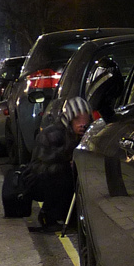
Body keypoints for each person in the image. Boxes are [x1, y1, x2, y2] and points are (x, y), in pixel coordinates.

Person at [25, 96, 92, 232]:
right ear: (69, 119)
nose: (82, 124)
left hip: (61, 175)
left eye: (85, 119)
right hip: (40, 178)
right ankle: (48, 216)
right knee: (62, 173)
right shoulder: (52, 133)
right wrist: (71, 151)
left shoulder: (87, 134)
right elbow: (45, 161)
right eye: (78, 119)